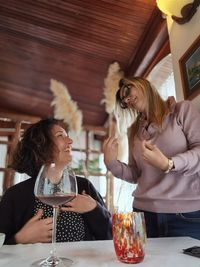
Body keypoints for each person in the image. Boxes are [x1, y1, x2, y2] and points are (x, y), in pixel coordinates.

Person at [103, 76, 200, 240]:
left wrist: (169, 164)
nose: (127, 99)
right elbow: (135, 174)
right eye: (123, 101)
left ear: (144, 84)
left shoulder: (182, 110)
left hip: (186, 215)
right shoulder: (133, 130)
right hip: (143, 215)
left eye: (127, 91)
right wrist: (111, 163)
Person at [0, 118, 112, 245]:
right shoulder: (14, 196)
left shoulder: (83, 186)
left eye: (68, 136)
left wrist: (94, 209)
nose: (70, 141)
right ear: (41, 145)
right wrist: (20, 239)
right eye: (60, 136)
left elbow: (109, 236)